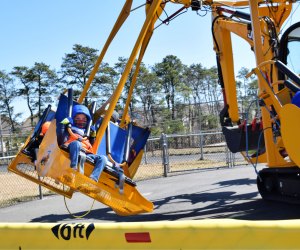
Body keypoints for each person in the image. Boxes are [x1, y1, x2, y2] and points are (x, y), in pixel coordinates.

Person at [60, 104, 107, 188]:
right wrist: (65, 122)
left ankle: (92, 180)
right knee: (76, 143)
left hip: (86, 151)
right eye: (78, 119)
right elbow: (60, 131)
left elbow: (91, 143)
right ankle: (73, 170)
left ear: (87, 120)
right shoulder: (70, 127)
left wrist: (93, 134)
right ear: (74, 119)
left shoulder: (87, 130)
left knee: (103, 158)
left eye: (83, 119)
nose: (81, 121)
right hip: (73, 146)